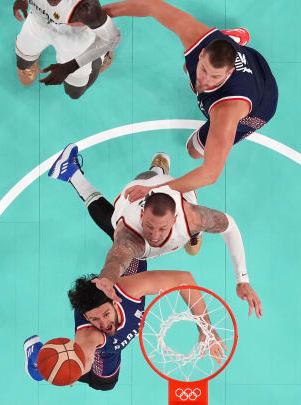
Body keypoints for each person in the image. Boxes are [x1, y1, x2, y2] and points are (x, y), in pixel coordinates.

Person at [48, 144, 262, 318]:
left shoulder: (193, 217)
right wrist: (107, 279)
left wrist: (242, 279)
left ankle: (161, 172)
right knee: (113, 225)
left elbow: (230, 226)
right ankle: (72, 173)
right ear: (142, 216)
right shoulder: (130, 235)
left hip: (176, 191)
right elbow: (116, 260)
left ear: (175, 218)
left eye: (162, 228)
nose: (155, 235)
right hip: (138, 190)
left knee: (192, 235)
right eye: (149, 226)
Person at [103, 0, 278, 200]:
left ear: (229, 72)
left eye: (215, 77)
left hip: (260, 105)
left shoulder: (226, 112)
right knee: (190, 68)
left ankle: (231, 42)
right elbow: (152, 6)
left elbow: (210, 174)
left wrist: (155, 189)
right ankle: (230, 42)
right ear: (202, 53)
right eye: (204, 70)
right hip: (246, 63)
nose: (205, 80)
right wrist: (100, 15)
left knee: (194, 150)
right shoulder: (197, 39)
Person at [23, 263, 227, 390]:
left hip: (121, 279)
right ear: (86, 317)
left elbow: (185, 280)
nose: (104, 324)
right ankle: (40, 361)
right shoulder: (90, 336)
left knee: (134, 252)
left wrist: (206, 330)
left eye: (105, 314)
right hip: (109, 348)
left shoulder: (127, 289)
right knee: (106, 384)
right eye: (94, 319)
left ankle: (119, 220)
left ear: (113, 299)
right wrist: (72, 371)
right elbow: (85, 355)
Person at [12, 0, 121, 99]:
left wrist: (71, 66)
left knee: (74, 92)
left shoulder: (86, 8)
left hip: (75, 38)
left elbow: (113, 39)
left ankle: (99, 58)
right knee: (23, 63)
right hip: (38, 23)